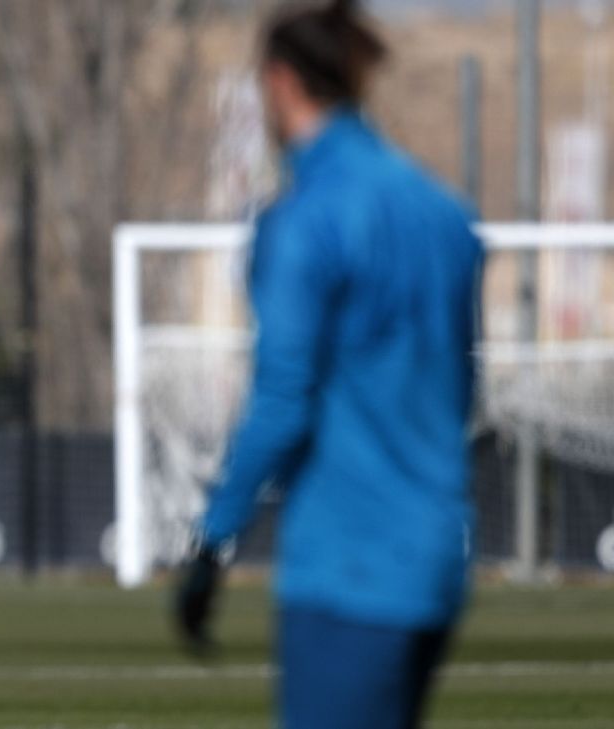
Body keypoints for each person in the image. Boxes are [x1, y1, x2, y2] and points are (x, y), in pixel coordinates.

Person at [176, 2, 483, 728]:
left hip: (348, 557)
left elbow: (284, 398)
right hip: (435, 553)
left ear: (281, 81)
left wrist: (214, 537)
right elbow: (461, 386)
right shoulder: (441, 211)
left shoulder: (306, 219)